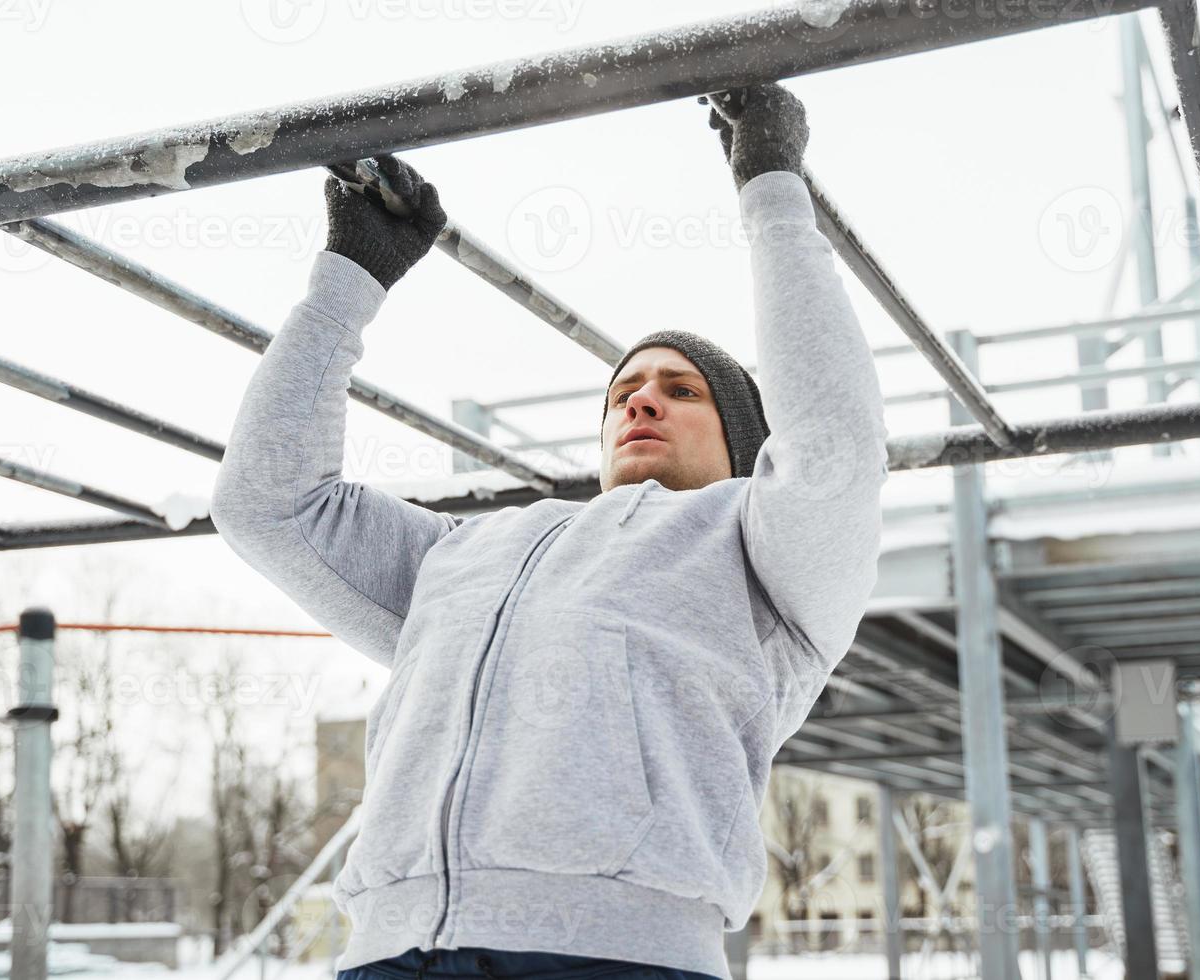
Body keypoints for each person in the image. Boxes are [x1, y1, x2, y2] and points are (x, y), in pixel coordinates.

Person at [210, 82, 888, 980]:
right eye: (623, 391)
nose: (640, 396)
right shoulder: (465, 551)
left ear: (745, 442)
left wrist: (770, 183)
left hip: (612, 956)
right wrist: (348, 280)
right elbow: (267, 503)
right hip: (388, 952)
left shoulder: (763, 549)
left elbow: (831, 446)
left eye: (681, 390)